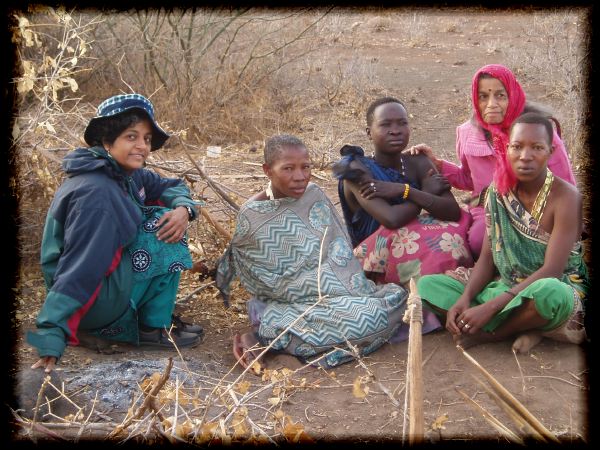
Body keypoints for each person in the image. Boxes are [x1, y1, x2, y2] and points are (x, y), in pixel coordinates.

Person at [28, 93, 204, 373]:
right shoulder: (97, 193)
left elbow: (168, 185)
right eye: (131, 137)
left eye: (146, 139)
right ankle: (149, 329)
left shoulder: (124, 174)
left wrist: (184, 208)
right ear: (107, 141)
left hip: (101, 288)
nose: (142, 146)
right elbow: (80, 267)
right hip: (89, 300)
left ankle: (147, 319)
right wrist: (52, 334)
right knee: (160, 226)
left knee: (171, 217)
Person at [216, 134, 408, 371]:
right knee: (366, 319)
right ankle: (266, 336)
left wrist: (338, 286)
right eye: (288, 168)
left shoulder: (314, 195)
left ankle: (281, 341)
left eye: (305, 167)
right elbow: (261, 278)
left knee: (395, 299)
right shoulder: (253, 215)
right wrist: (306, 286)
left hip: (341, 296)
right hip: (289, 305)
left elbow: (339, 252)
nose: (300, 177)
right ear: (268, 170)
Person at [417, 113, 588, 352]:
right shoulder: (498, 192)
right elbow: (487, 259)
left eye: (537, 147)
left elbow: (552, 271)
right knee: (427, 286)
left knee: (550, 294)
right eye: (517, 147)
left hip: (552, 287)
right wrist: (465, 298)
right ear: (506, 149)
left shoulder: (567, 198)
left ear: (551, 152)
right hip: (507, 285)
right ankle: (528, 326)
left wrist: (490, 307)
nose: (525, 156)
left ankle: (494, 334)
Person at [405, 64, 576, 259]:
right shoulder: (468, 133)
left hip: (535, 206)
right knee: (480, 240)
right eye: (483, 96)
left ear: (512, 96)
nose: (491, 104)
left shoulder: (539, 132)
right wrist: (438, 165)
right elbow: (469, 180)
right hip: (487, 206)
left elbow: (565, 184)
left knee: (535, 244)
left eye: (500, 96)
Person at [332, 97, 474, 288]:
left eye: (402, 123)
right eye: (385, 124)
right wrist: (422, 193)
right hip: (378, 256)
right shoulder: (356, 169)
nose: (395, 130)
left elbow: (451, 211)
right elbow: (392, 219)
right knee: (435, 252)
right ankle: (431, 297)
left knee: (451, 238)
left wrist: (404, 191)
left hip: (421, 243)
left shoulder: (418, 162)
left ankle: (444, 293)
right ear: (369, 133)